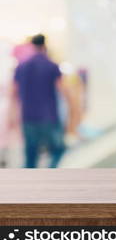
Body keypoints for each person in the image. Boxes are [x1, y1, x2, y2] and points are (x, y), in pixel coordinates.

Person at [12, 34, 69, 168]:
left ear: (32, 46)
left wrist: (13, 117)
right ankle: (50, 172)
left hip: (28, 116)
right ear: (44, 46)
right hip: (48, 116)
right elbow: (63, 90)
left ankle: (29, 185)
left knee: (31, 156)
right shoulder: (52, 66)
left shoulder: (21, 67)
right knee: (59, 149)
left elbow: (13, 93)